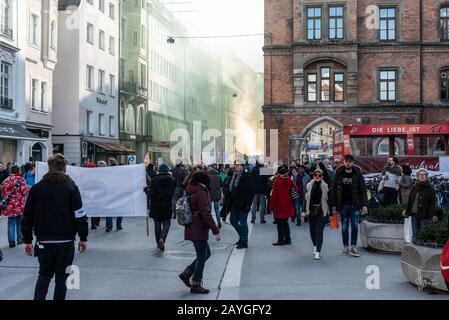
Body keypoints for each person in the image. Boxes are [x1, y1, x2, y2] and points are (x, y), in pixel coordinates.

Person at [21, 153, 88, 300]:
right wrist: (83, 237)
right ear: (65, 168)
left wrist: (27, 240)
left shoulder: (36, 189)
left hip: (44, 241)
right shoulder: (71, 187)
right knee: (61, 279)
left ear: (49, 168)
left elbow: (27, 217)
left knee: (44, 275)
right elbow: (80, 215)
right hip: (65, 241)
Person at [179, 171, 221, 294]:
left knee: (205, 254)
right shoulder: (201, 192)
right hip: (198, 228)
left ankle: (187, 273)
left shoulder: (190, 188)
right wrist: (216, 230)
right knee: (202, 256)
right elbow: (206, 213)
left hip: (192, 226)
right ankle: (196, 283)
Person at [331, 154, 368, 258]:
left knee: (355, 226)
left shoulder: (357, 174)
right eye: (346, 161)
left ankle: (353, 247)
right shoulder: (338, 173)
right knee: (344, 226)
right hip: (342, 205)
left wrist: (364, 204)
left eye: (349, 161)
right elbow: (333, 190)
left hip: (355, 204)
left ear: (353, 162)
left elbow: (363, 190)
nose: (348, 163)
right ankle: (345, 247)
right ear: (344, 162)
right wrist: (333, 205)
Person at [144, 164, 175, 251]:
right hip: (167, 205)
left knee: (157, 224)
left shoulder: (154, 180)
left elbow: (151, 194)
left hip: (156, 205)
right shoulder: (172, 180)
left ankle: (158, 242)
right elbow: (173, 192)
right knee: (166, 223)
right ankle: (162, 238)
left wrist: (146, 190)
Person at [303, 169, 330, 260]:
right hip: (311, 210)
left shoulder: (325, 186)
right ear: (313, 176)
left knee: (319, 231)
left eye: (319, 175)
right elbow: (306, 198)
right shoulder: (309, 185)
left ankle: (318, 251)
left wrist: (332, 210)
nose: (317, 177)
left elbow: (329, 199)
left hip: (322, 210)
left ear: (322, 176)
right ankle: (314, 246)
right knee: (312, 230)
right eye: (315, 175)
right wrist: (303, 210)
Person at [403, 168, 437, 239]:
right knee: (415, 234)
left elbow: (432, 204)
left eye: (424, 174)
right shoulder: (413, 187)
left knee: (423, 234)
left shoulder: (430, 189)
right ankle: (415, 247)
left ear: (426, 176)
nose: (422, 176)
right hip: (414, 215)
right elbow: (410, 200)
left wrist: (430, 215)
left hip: (424, 216)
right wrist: (407, 211)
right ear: (417, 176)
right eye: (420, 174)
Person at [1, 164, 30, 247]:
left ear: (11, 171)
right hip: (20, 206)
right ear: (19, 171)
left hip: (10, 206)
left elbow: (2, 193)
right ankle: (20, 239)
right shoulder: (21, 180)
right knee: (20, 223)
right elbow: (25, 191)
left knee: (11, 223)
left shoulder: (6, 180)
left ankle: (11, 241)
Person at [269, 165, 298, 246]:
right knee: (285, 222)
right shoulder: (289, 180)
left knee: (279, 224)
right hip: (288, 204)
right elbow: (296, 189)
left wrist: (271, 207)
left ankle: (280, 240)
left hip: (279, 205)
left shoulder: (277, 181)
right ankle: (288, 239)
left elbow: (274, 195)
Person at [229, 159, 254, 249]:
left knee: (243, 222)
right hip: (235, 203)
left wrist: (248, 205)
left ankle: (244, 241)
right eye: (236, 165)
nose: (237, 166)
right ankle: (242, 236)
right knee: (232, 220)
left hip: (244, 204)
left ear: (243, 166)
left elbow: (251, 192)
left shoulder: (247, 176)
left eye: (239, 165)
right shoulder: (234, 176)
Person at [105, 158, 123, 232]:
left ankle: (109, 226)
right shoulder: (120, 171)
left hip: (109, 192)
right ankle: (119, 225)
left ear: (109, 163)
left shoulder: (107, 171)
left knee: (109, 210)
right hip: (119, 192)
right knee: (120, 210)